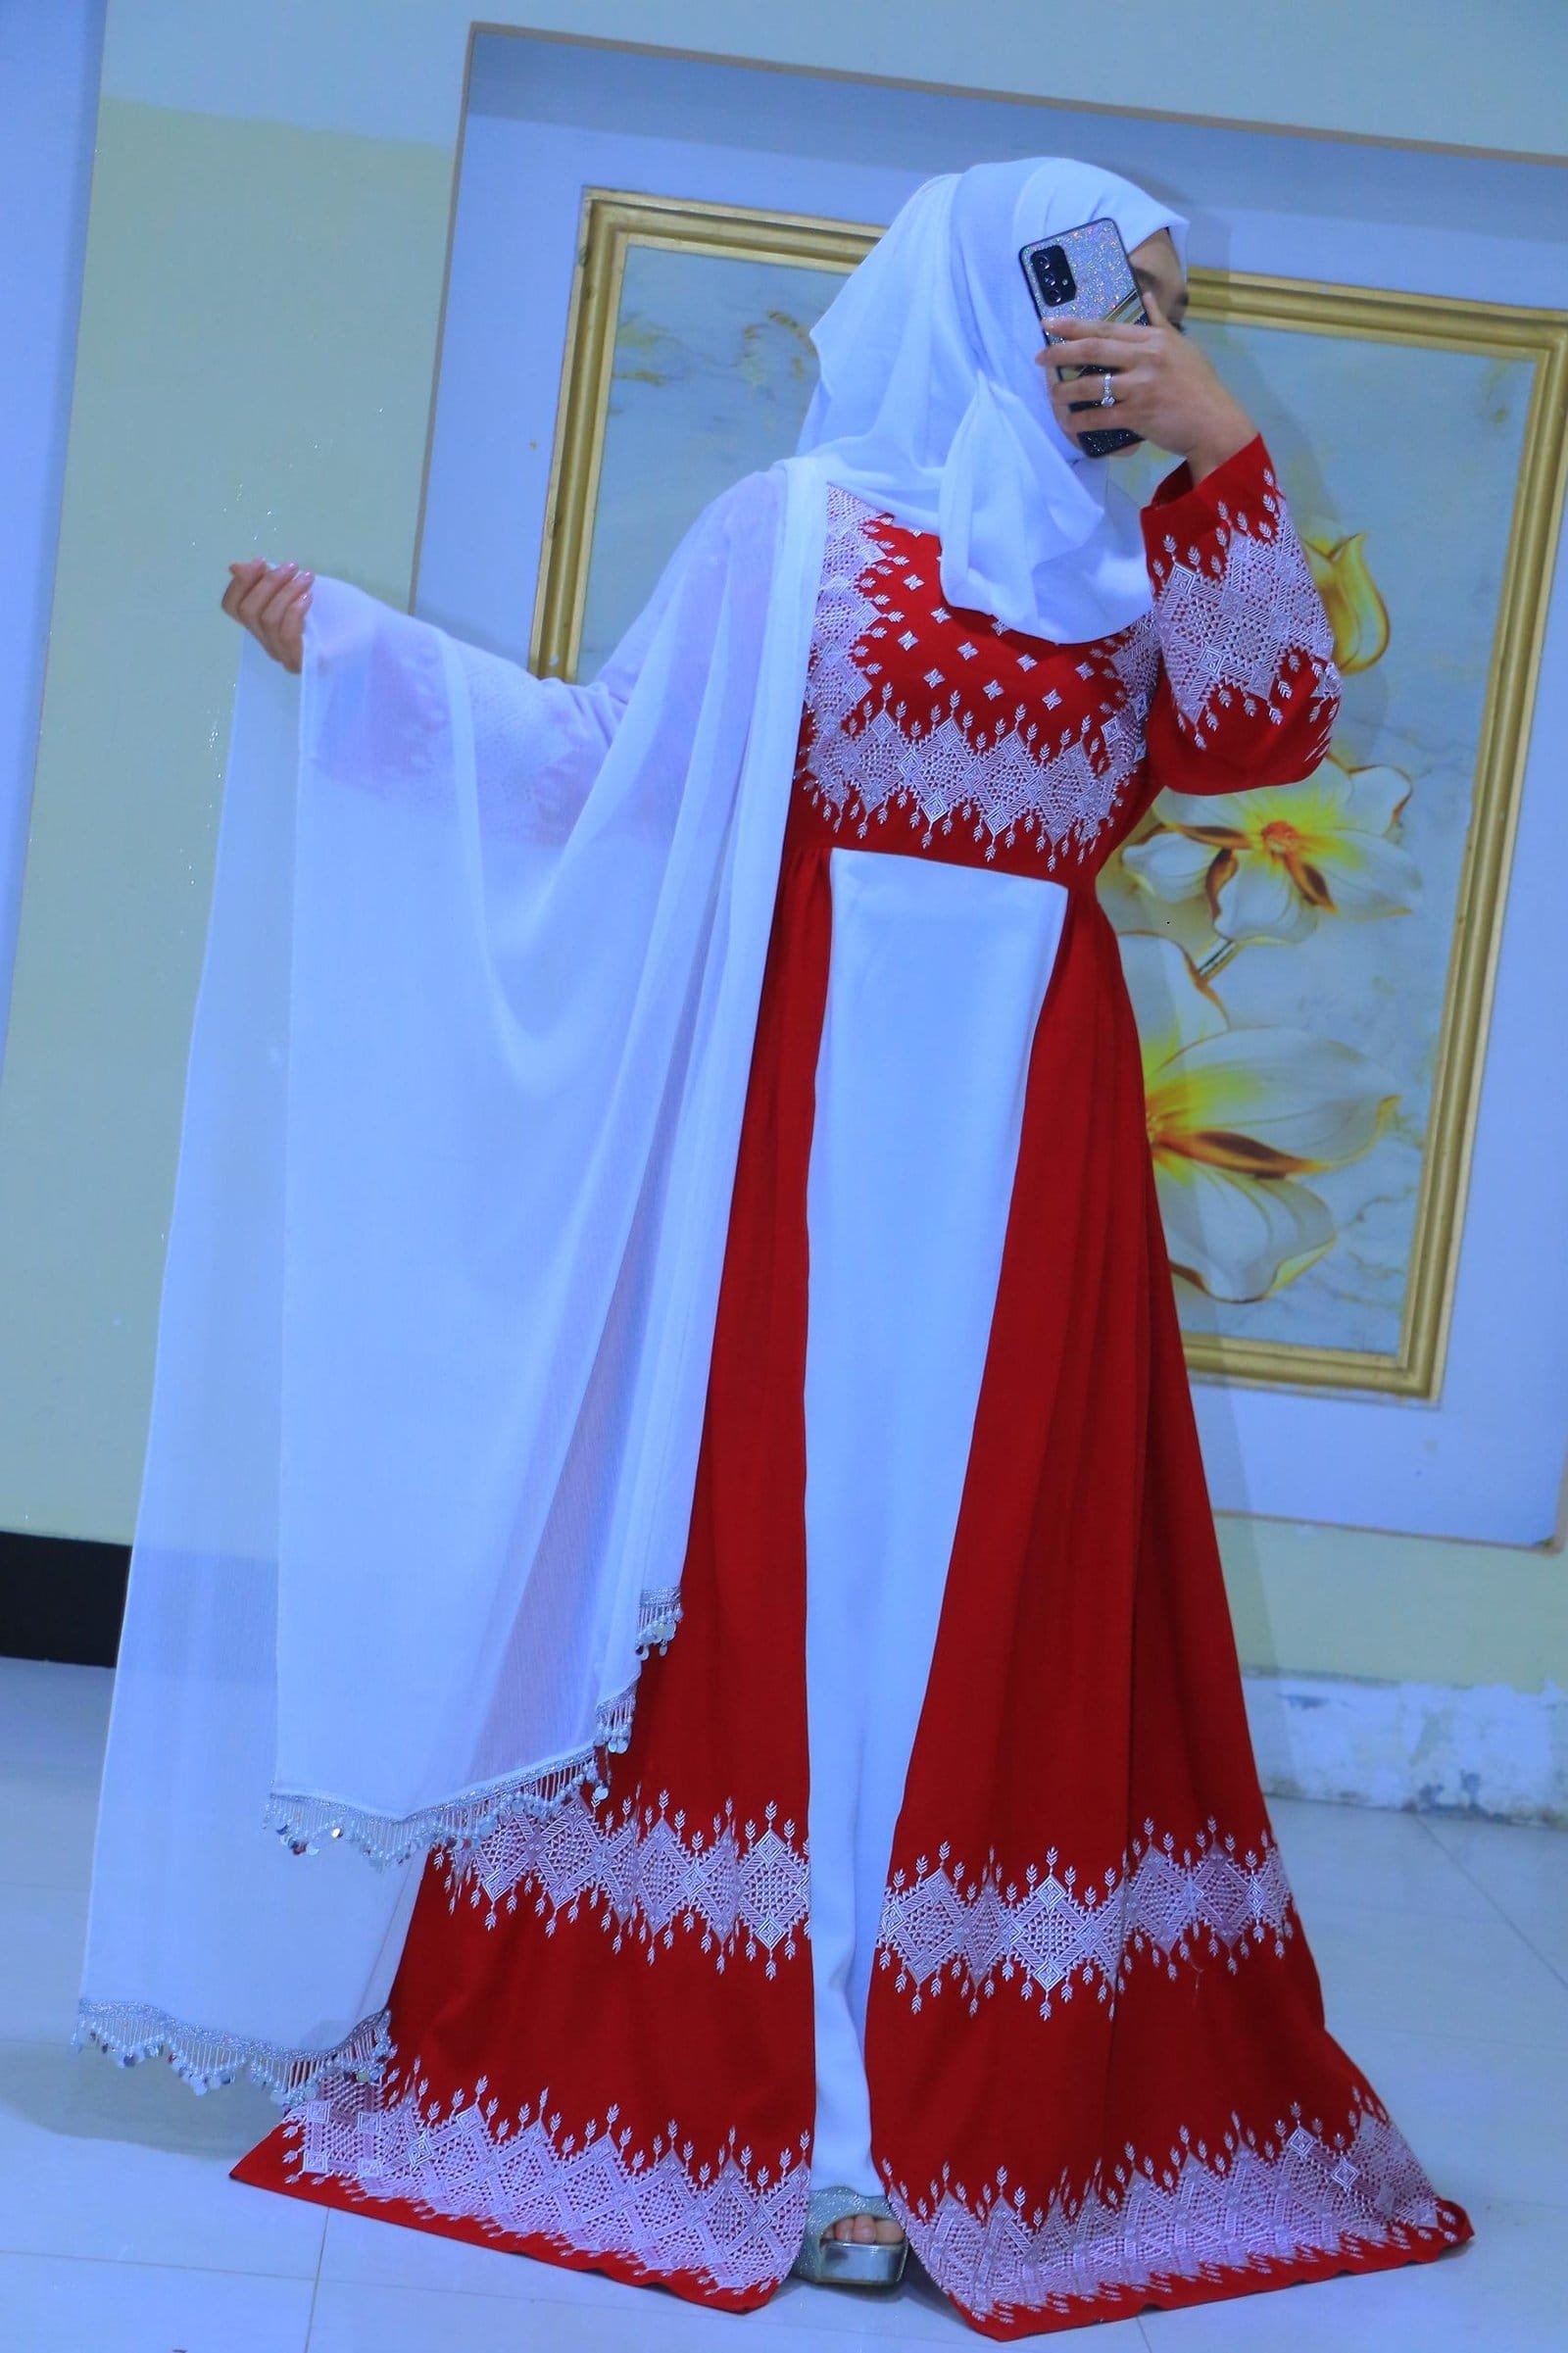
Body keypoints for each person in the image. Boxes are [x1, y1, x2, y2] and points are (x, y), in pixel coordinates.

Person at [77, 157, 1471, 2336]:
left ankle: (944, 2110)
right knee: (769, 1571)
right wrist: (359, 658)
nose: (1137, 341)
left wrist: (1219, 450)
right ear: (988, 290)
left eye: (1165, 311)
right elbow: (601, 761)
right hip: (794, 1142)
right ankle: (799, 2107)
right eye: (1111, 296)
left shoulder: (1125, 568)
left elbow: (1258, 732)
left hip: (1028, 1162)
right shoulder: (792, 531)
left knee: (982, 1573)